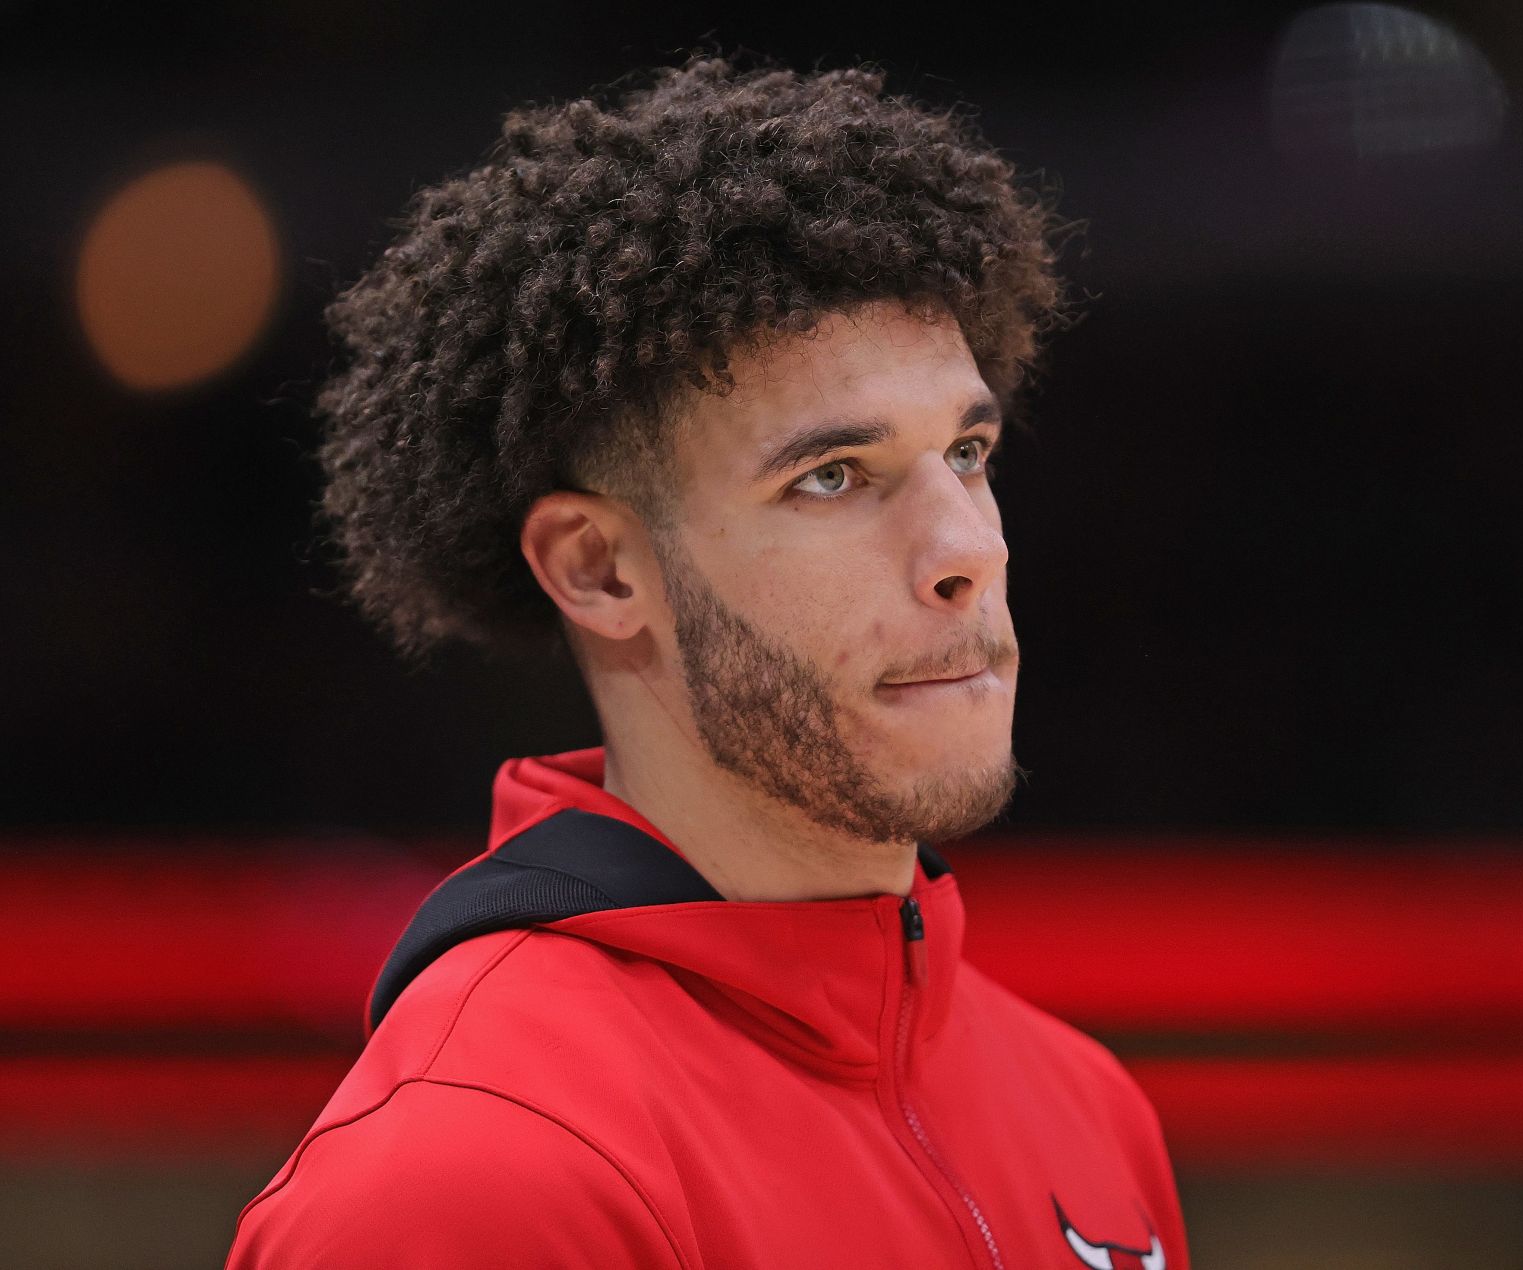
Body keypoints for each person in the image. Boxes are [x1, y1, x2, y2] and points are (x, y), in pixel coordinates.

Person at [227, 53, 1188, 1269]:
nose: (968, 550)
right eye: (832, 476)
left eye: (967, 450)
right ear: (599, 570)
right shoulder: (470, 1179)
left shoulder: (1087, 1104)